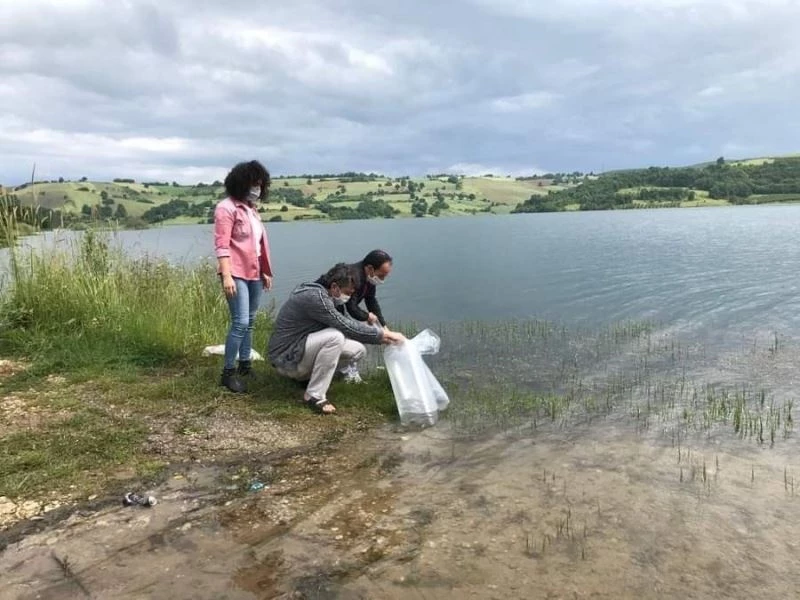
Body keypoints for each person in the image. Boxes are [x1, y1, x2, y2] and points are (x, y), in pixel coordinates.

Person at [268, 262, 406, 414]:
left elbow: (348, 323)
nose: (349, 296)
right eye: (347, 292)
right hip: (285, 358)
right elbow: (345, 326)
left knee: (358, 350)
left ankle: (308, 379)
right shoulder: (316, 298)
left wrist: (382, 337)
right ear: (334, 286)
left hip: (299, 350)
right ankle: (314, 395)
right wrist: (383, 335)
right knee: (335, 337)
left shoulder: (329, 297)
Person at [213, 160, 274, 393]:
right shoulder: (226, 208)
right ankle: (228, 373)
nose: (257, 189)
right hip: (235, 272)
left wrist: (265, 270)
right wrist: (226, 276)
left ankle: (245, 365)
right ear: (240, 183)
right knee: (240, 322)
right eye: (253, 184)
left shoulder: (251, 210)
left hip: (254, 273)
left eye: (260, 184)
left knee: (250, 320)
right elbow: (222, 245)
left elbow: (258, 245)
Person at [318, 249, 394, 383]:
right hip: (322, 310)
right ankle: (345, 373)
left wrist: (384, 326)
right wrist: (367, 317)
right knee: (348, 334)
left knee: (348, 333)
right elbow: (351, 308)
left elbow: (371, 300)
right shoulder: (354, 277)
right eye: (381, 275)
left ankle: (343, 371)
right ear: (370, 268)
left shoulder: (369, 279)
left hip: (335, 308)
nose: (382, 280)